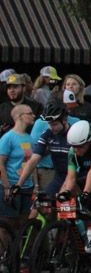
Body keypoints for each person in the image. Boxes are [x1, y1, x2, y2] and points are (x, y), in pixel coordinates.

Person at [0, 104, 36, 249]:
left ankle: (17, 257)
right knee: (7, 223)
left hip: (26, 187)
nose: (33, 116)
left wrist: (36, 185)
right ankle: (5, 255)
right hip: (10, 186)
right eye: (30, 113)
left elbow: (32, 163)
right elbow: (1, 163)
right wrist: (7, 185)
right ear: (20, 116)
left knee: (22, 225)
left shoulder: (29, 138)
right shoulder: (8, 138)